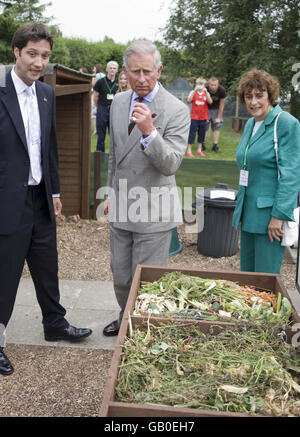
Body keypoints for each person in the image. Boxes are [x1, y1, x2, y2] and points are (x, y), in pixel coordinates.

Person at [0, 23, 92, 376]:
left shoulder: (46, 94)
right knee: (5, 273)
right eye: (33, 54)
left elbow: (48, 147)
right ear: (17, 52)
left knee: (46, 264)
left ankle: (55, 322)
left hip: (40, 197)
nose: (39, 63)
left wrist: (54, 192)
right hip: (7, 200)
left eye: (45, 56)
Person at [102, 39, 190, 336]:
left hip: (153, 209)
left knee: (148, 281)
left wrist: (150, 133)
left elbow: (172, 164)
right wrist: (111, 192)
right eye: (135, 71)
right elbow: (115, 155)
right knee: (121, 276)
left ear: (159, 71)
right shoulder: (117, 104)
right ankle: (125, 316)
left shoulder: (176, 110)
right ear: (124, 71)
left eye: (148, 72)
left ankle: (141, 332)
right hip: (123, 205)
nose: (141, 79)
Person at [232, 69, 300, 273]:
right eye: (248, 96)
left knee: (265, 281)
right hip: (248, 213)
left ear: (270, 95)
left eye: (259, 95)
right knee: (248, 280)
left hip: (271, 219)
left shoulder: (286, 123)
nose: (253, 102)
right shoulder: (251, 124)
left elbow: (291, 174)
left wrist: (278, 215)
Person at [93, 61, 118, 152]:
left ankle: (113, 156)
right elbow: (95, 96)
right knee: (101, 135)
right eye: (110, 68)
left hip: (114, 110)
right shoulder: (100, 82)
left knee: (113, 134)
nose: (112, 70)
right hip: (102, 109)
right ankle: (100, 157)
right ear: (107, 69)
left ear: (117, 70)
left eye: (114, 68)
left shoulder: (118, 82)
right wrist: (99, 107)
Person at [186, 77, 212, 158]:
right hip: (194, 117)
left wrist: (206, 92)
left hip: (203, 117)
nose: (200, 86)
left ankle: (199, 150)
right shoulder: (192, 92)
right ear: (196, 85)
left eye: (202, 84)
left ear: (204, 85)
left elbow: (210, 102)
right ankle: (189, 151)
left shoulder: (206, 93)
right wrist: (194, 91)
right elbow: (189, 100)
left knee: (202, 134)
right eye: (198, 84)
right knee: (192, 133)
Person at [205, 76, 226, 153]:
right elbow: (203, 102)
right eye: (211, 85)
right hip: (206, 109)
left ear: (218, 84)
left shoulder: (222, 90)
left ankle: (215, 146)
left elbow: (222, 104)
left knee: (216, 127)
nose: (213, 87)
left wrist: (218, 117)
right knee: (205, 127)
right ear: (209, 84)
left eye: (215, 85)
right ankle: (203, 145)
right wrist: (205, 115)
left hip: (217, 109)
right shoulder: (205, 89)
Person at [91, 64, 105, 135]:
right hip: (103, 95)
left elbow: (93, 84)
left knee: (95, 114)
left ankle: (96, 130)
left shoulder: (96, 75)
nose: (93, 69)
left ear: (96, 68)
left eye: (94, 68)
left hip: (96, 94)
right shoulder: (104, 75)